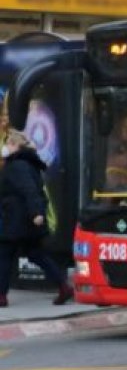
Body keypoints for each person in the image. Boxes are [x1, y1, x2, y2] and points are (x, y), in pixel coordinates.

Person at [0, 129, 73, 307]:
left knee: (4, 254)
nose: (5, 146)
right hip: (24, 219)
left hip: (16, 219)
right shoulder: (27, 163)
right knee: (35, 254)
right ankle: (63, 285)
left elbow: (29, 191)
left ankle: (1, 295)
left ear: (16, 145)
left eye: (8, 142)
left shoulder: (17, 166)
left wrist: (37, 213)